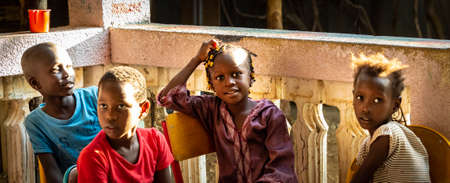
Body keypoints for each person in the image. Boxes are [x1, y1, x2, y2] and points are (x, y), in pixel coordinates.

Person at [158, 40, 298, 182]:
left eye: (236, 74)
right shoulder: (211, 110)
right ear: (211, 84)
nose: (229, 82)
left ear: (250, 77)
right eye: (220, 77)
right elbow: (168, 97)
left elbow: (282, 169)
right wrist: (196, 60)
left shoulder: (269, 115)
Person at [77, 66, 173, 182]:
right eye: (103, 106)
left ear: (143, 109)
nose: (110, 116)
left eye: (121, 106)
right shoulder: (93, 157)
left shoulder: (155, 140)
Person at [21, 42, 101, 182]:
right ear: (35, 83)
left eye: (69, 66)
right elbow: (51, 170)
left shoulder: (94, 96)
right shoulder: (36, 122)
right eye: (55, 70)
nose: (66, 74)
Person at [350, 53, 430, 183]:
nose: (365, 108)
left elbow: (360, 179)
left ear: (395, 105)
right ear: (353, 96)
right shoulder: (373, 140)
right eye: (360, 98)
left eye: (377, 100)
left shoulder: (387, 135)